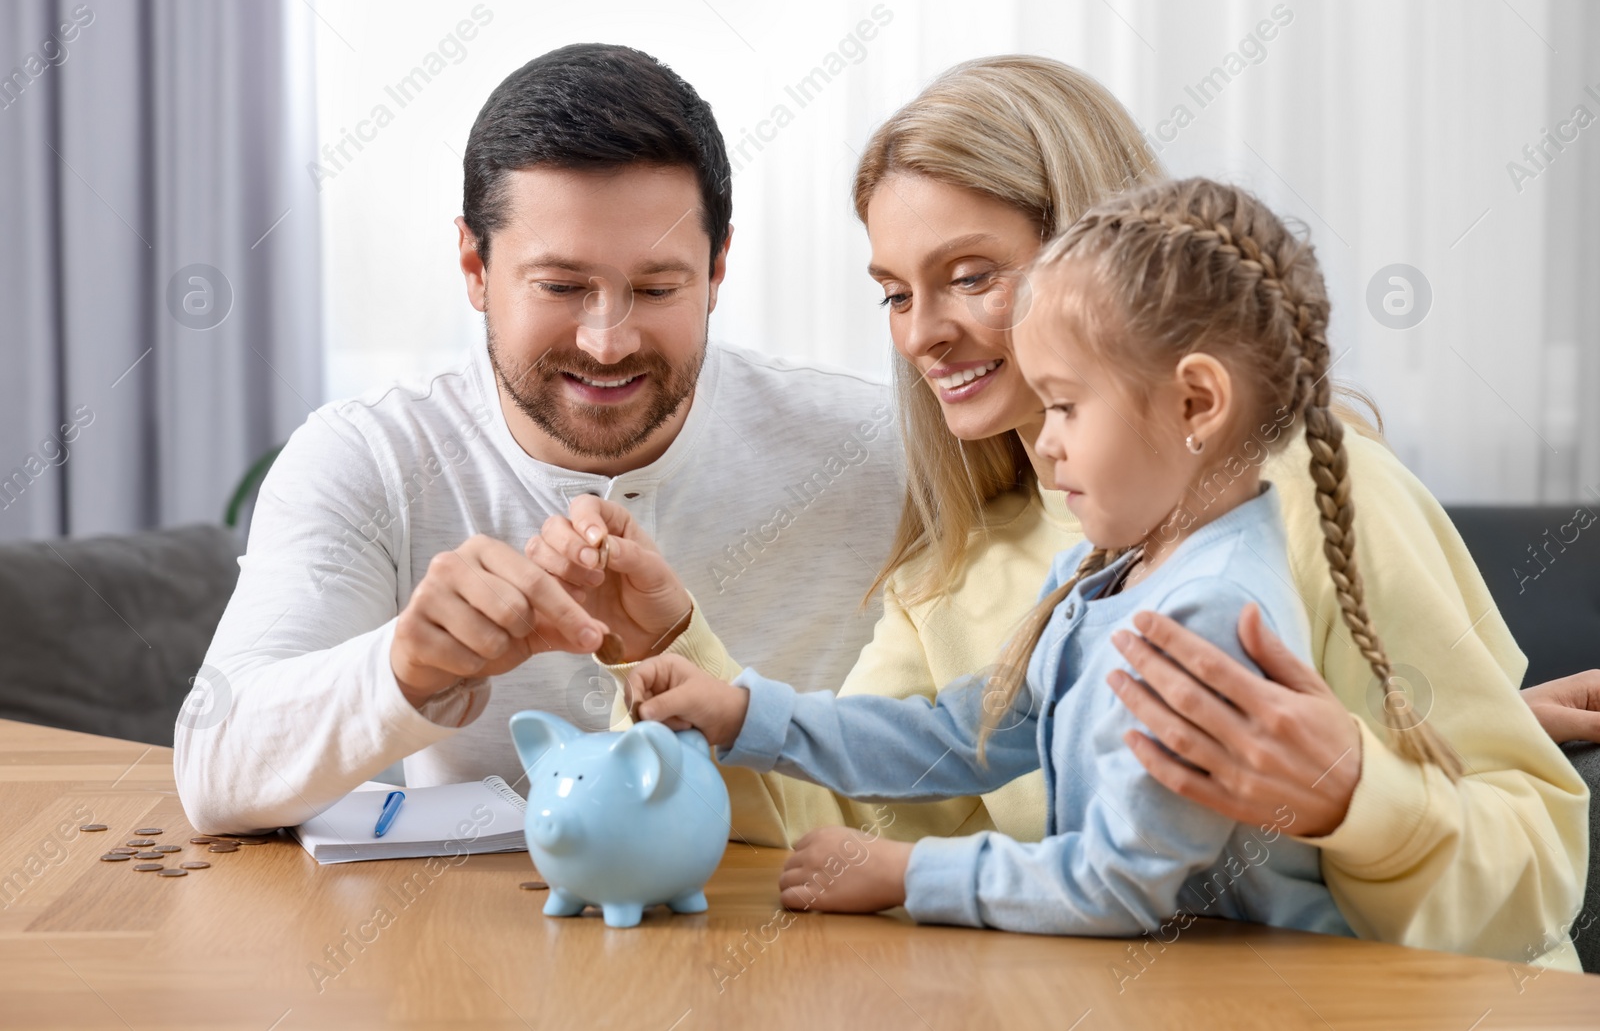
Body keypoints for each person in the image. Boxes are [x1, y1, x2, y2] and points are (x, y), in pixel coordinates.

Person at [530, 57, 1587, 968]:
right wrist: (674, 646)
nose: (923, 334)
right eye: (896, 292)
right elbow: (839, 836)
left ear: (1101, 251)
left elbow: (1536, 873)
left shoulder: (1307, 492)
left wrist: (1355, 791)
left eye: (971, 275)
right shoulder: (960, 569)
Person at [621, 176, 1417, 940]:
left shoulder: (1207, 611)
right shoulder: (1106, 576)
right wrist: (745, 714)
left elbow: (1118, 884)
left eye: (1067, 405)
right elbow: (960, 733)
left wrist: (908, 873)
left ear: (1196, 403)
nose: (1045, 438)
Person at [171, 44, 903, 843]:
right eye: (560, 287)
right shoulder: (370, 459)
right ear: (474, 266)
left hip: (806, 936)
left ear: (718, 268)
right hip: (480, 949)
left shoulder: (880, 449)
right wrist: (404, 668)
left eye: (657, 289)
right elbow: (216, 771)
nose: (607, 340)